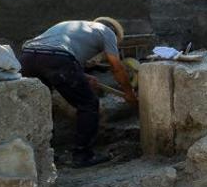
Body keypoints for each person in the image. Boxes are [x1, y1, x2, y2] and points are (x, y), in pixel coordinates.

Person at [19, 17, 137, 168]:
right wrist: (129, 93)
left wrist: (82, 76)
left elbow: (52, 56)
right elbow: (116, 67)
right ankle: (83, 156)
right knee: (88, 104)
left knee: (41, 107)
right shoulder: (108, 32)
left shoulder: (71, 26)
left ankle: (41, 155)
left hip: (27, 58)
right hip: (56, 59)